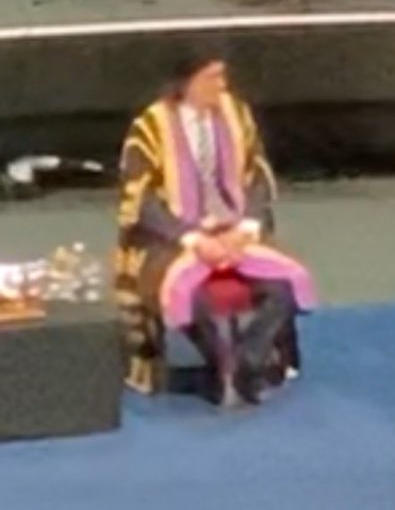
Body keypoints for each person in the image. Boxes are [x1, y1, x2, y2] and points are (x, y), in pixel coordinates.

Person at [114, 48, 316, 406]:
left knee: (283, 287)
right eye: (212, 77)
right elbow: (141, 200)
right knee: (197, 298)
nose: (221, 85)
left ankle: (248, 362)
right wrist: (193, 239)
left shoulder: (235, 114)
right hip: (175, 237)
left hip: (234, 229)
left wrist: (247, 228)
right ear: (186, 82)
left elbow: (257, 175)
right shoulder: (151, 127)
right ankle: (219, 364)